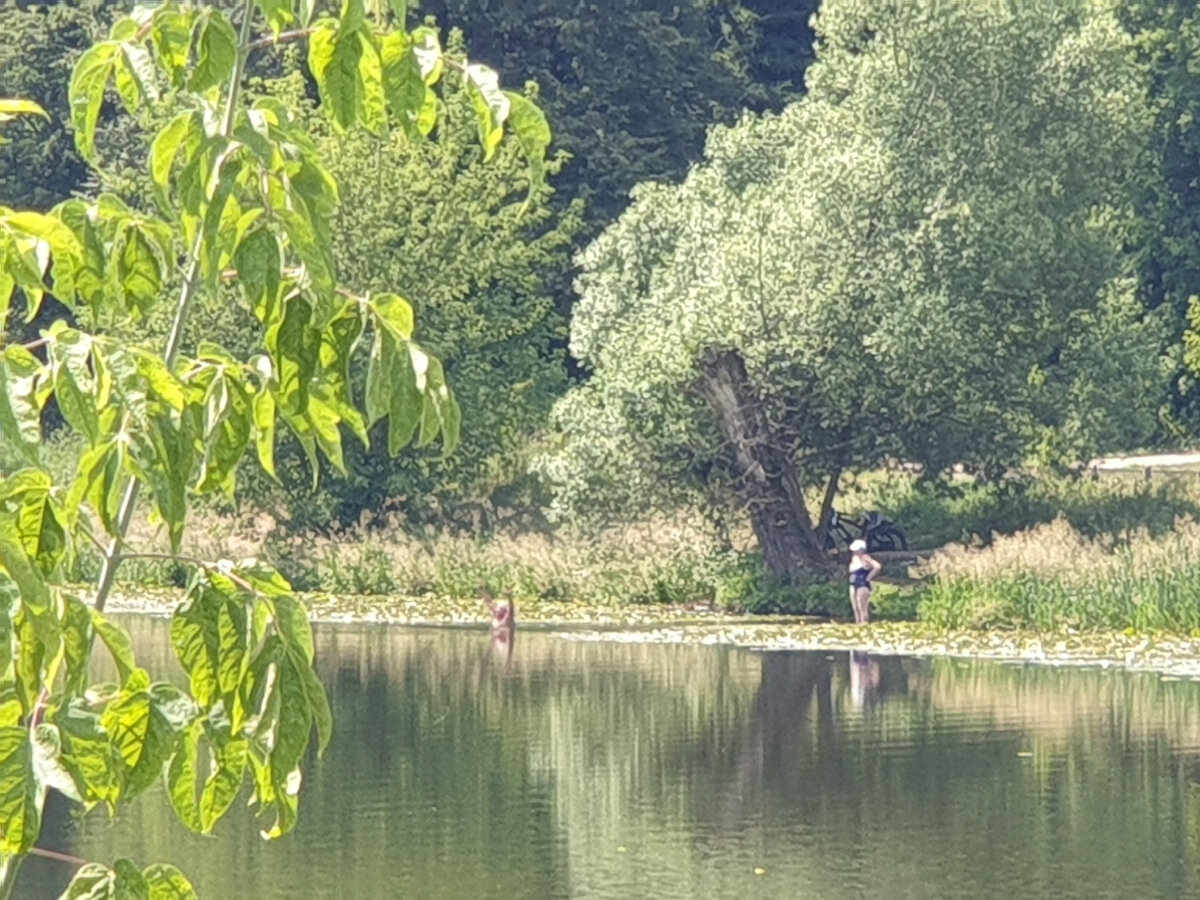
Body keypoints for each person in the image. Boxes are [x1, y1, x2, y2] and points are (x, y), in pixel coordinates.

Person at [848, 538, 881, 624]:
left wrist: (868, 577)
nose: (854, 552)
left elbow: (877, 566)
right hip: (853, 583)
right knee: (855, 608)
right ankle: (857, 624)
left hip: (862, 584)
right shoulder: (854, 558)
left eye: (857, 550)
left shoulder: (865, 557)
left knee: (862, 608)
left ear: (861, 550)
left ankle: (864, 624)